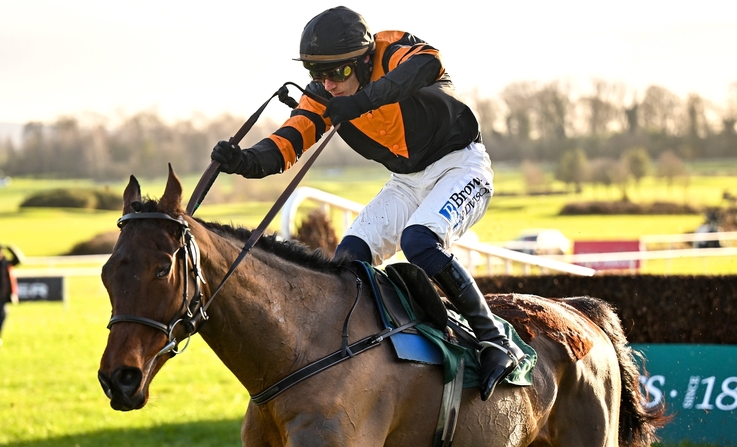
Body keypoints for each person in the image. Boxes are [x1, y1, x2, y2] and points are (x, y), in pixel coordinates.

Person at [211, 6, 522, 401]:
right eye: (316, 74)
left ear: (362, 59)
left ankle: (495, 340)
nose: (327, 84)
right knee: (348, 260)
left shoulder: (391, 48)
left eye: (338, 73)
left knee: (420, 242)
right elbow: (286, 143)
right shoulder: (325, 95)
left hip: (462, 165)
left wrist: (360, 103)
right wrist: (244, 161)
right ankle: (376, 347)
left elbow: (428, 65)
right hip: (406, 182)